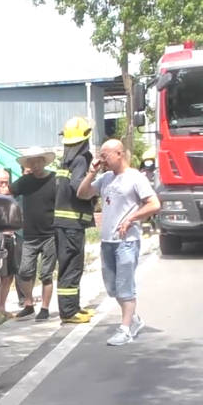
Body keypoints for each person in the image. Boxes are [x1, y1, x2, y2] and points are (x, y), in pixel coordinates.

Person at [76, 139, 161, 346]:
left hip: (127, 241)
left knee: (125, 287)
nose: (102, 159)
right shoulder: (105, 178)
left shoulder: (134, 178)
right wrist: (91, 172)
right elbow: (82, 193)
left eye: (106, 155)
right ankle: (133, 319)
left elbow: (154, 204)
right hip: (107, 241)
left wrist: (131, 218)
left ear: (119, 154)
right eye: (101, 155)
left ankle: (125, 329)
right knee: (112, 288)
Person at [53, 116, 97, 325]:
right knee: (72, 267)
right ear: (86, 136)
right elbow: (79, 188)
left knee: (68, 266)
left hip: (64, 224)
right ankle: (69, 312)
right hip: (72, 225)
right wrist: (94, 189)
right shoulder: (82, 159)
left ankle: (72, 308)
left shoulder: (66, 160)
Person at [10, 148, 58, 321]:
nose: (36, 165)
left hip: (50, 234)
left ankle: (44, 308)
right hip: (29, 234)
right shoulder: (25, 181)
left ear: (44, 162)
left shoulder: (55, 180)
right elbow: (8, 192)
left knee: (46, 273)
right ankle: (28, 304)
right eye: (32, 162)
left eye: (38, 161)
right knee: (24, 271)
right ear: (28, 165)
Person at [0, 168, 22, 324]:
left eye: (6, 182)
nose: (4, 186)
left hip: (11, 238)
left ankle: (2, 307)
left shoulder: (12, 198)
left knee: (9, 275)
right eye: (1, 183)